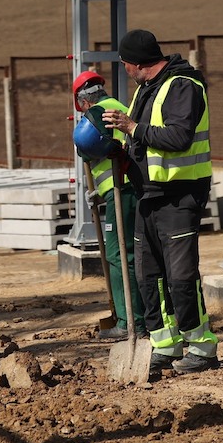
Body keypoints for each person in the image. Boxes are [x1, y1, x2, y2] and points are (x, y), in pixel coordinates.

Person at [102, 29, 219, 376]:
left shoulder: (183, 86)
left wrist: (132, 128)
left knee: (181, 277)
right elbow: (143, 139)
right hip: (149, 195)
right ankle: (166, 345)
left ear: (137, 63)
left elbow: (179, 137)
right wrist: (122, 151)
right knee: (148, 275)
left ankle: (202, 348)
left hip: (179, 195)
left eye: (125, 64)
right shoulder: (147, 88)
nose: (125, 70)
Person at [72, 71, 146, 341]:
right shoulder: (117, 107)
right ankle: (139, 318)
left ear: (83, 102)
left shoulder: (96, 114)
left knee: (118, 255)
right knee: (131, 254)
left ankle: (130, 321)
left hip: (122, 190)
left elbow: (84, 144)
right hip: (124, 189)